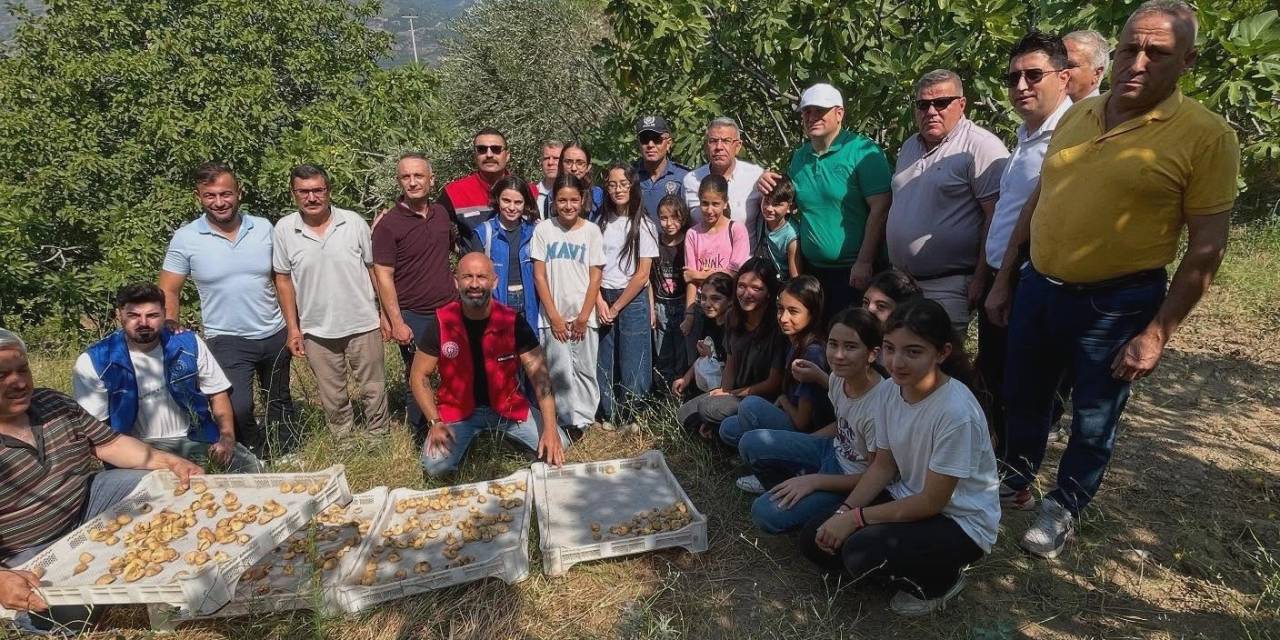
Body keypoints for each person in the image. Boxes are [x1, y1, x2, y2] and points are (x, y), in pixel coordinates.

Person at [986, 0, 1239, 558]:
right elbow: (1039, 197)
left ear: (1188, 60)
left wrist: (1157, 332)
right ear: (1114, 52)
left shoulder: (1205, 136)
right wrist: (1007, 277)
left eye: (1158, 52)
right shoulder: (1080, 113)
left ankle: (1065, 505)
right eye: (1130, 48)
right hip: (1040, 286)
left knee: (1095, 413)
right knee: (1023, 394)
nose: (1139, 62)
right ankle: (1018, 478)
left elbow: (1207, 247)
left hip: (1117, 301)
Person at [798, 298, 1000, 617]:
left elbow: (933, 501)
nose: (897, 362)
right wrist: (845, 511)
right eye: (890, 348)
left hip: (959, 520)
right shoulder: (892, 390)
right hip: (907, 494)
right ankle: (895, 561)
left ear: (942, 353)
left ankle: (942, 582)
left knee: (858, 553)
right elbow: (884, 464)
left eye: (913, 351)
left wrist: (856, 520)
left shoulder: (955, 412)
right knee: (815, 538)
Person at [1, 328, 202, 632]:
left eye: (22, 369)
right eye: (2, 375)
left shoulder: (52, 403)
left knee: (164, 485)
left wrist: (169, 461)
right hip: (28, 551)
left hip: (86, 506)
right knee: (67, 618)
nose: (18, 382)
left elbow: (110, 445)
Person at [977, 32, 1074, 451]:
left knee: (1025, 382)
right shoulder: (1026, 136)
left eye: (1033, 75)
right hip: (1002, 272)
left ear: (1064, 78)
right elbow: (1006, 214)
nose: (1021, 86)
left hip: (1032, 275)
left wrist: (1005, 280)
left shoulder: (1071, 137)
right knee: (998, 374)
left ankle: (1018, 472)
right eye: (1013, 77)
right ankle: (1001, 459)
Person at [159, 162, 295, 459]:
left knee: (279, 397)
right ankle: (253, 452)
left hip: (273, 330)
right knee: (239, 404)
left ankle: (285, 451)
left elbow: (281, 278)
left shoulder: (263, 228)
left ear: (239, 194)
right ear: (199, 197)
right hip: (227, 337)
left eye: (226, 194)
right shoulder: (186, 238)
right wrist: (170, 322)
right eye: (210, 196)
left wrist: (292, 325)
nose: (219, 202)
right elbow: (169, 287)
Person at [72, 284, 261, 473]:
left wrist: (226, 438)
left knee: (250, 470)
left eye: (152, 315)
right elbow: (97, 430)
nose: (143, 323)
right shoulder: (96, 360)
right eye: (133, 316)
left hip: (195, 440)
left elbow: (217, 392)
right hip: (137, 449)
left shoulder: (188, 343)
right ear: (119, 314)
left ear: (164, 313)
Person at [408, 253, 568, 476]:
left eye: (482, 277)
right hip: (457, 413)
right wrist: (435, 422)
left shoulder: (512, 322)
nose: (474, 284)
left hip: (508, 409)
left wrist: (550, 428)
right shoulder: (441, 322)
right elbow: (418, 376)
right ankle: (472, 436)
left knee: (560, 445)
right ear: (456, 282)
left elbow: (540, 377)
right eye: (467, 277)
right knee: (436, 468)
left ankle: (512, 437)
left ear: (495, 282)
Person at [739, 308, 887, 533]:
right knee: (750, 442)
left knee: (764, 513)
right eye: (833, 344)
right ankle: (790, 489)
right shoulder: (839, 378)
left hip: (851, 479)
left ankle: (818, 508)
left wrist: (815, 481)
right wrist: (801, 446)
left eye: (850, 347)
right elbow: (843, 425)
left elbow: (875, 476)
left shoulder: (880, 405)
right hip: (831, 449)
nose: (838, 355)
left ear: (872, 354)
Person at [886, 69, 1009, 335]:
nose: (931, 111)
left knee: (941, 365)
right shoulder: (909, 146)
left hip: (950, 283)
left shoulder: (981, 147)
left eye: (941, 103)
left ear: (961, 104)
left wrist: (980, 278)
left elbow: (996, 216)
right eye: (923, 104)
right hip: (902, 283)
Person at [758, 83, 893, 323]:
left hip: (854, 272)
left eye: (820, 111)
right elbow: (791, 203)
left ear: (839, 114)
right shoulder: (800, 158)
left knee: (851, 343)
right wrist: (767, 180)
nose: (812, 117)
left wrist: (864, 261)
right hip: (813, 272)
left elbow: (881, 207)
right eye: (807, 111)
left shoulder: (862, 151)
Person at [273, 165, 390, 437]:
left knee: (373, 387)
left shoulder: (353, 222)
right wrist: (293, 327)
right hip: (316, 327)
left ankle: (378, 434)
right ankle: (343, 438)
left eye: (318, 190)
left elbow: (374, 270)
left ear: (329, 192)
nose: (311, 197)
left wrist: (384, 313)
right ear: (293, 194)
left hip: (363, 321)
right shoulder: (284, 230)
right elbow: (283, 280)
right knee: (331, 392)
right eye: (304, 192)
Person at [372, 153, 463, 445]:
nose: (413, 182)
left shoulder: (441, 214)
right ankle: (420, 435)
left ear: (431, 179)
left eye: (419, 176)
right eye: (406, 177)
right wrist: (396, 321)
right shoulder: (388, 225)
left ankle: (456, 424)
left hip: (449, 309)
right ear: (399, 181)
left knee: (453, 369)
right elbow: (383, 275)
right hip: (415, 314)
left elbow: (444, 255)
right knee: (417, 377)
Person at [677, 258, 787, 441]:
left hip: (759, 398)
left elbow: (773, 383)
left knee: (708, 409)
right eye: (741, 286)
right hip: (735, 394)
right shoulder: (733, 318)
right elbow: (731, 363)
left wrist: (729, 395)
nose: (746, 293)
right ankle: (719, 428)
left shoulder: (777, 328)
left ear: (769, 293)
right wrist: (724, 393)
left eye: (756, 288)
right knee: (685, 414)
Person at [719, 276, 831, 450]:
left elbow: (802, 423)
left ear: (813, 313)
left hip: (808, 435)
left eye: (793, 311)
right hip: (788, 417)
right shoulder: (793, 342)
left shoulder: (812, 353)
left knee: (750, 405)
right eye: (780, 309)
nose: (783, 318)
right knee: (728, 428)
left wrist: (783, 400)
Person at [531, 173, 606, 434]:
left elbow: (596, 274)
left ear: (582, 200)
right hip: (554, 317)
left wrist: (585, 315)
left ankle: (585, 419)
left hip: (584, 315)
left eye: (574, 200)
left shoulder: (591, 231)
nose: (568, 205)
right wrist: (554, 317)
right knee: (559, 371)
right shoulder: (544, 230)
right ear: (554, 201)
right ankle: (565, 421)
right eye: (562, 200)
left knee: (585, 369)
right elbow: (539, 275)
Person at [595, 164, 660, 431]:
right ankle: (609, 414)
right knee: (606, 357)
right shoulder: (599, 223)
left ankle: (634, 414)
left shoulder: (643, 224)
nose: (618, 189)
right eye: (612, 184)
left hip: (630, 298)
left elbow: (643, 274)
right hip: (603, 295)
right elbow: (593, 267)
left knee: (635, 356)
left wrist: (618, 305)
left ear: (633, 186)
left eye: (623, 183)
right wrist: (599, 301)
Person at [680, 175, 750, 336]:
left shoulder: (736, 230)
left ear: (725, 203)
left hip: (729, 308)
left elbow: (734, 273)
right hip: (701, 306)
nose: (709, 210)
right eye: (705, 203)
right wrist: (689, 314)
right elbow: (690, 282)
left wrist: (698, 274)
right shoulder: (693, 234)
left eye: (715, 204)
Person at [682, 118, 765, 245]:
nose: (719, 147)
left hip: (745, 263)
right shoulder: (691, 181)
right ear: (706, 146)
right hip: (702, 262)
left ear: (737, 146)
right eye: (713, 141)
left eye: (726, 141)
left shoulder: (755, 176)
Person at [476, 176, 541, 322]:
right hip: (498, 303)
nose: (512, 207)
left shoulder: (535, 231)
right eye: (506, 200)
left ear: (525, 203)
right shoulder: (485, 232)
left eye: (518, 202)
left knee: (531, 344)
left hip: (530, 302)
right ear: (498, 199)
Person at [650, 194, 694, 389]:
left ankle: (680, 391)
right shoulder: (655, 243)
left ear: (683, 218)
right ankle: (663, 394)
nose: (669, 223)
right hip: (661, 304)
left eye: (674, 218)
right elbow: (648, 281)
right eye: (664, 218)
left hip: (683, 303)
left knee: (682, 350)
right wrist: (651, 309)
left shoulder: (688, 242)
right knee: (663, 351)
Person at [440, 127, 512, 245]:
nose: (489, 155)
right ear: (475, 156)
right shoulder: (454, 192)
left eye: (496, 149)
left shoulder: (529, 191)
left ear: (507, 155)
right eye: (482, 149)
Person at [670, 272, 734, 399]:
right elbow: (704, 356)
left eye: (716, 298)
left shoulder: (732, 329)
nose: (708, 304)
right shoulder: (709, 321)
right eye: (704, 298)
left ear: (730, 300)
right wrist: (686, 379)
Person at [633, 115, 690, 222]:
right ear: (638, 144)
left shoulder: (684, 177)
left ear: (668, 144)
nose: (650, 145)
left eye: (656, 139)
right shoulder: (629, 176)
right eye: (644, 140)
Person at [758, 175, 801, 283]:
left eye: (776, 205)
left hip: (782, 282)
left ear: (790, 208)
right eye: (766, 201)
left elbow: (795, 276)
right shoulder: (761, 219)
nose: (769, 208)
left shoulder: (791, 236)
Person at [557, 141, 604, 217]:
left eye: (580, 163)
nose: (574, 168)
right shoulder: (552, 196)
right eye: (568, 162)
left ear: (588, 167)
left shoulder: (598, 196)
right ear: (561, 165)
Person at [1063, 29, 1110, 102]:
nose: (1059, 71)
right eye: (1056, 64)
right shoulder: (1046, 110)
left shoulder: (1104, 112)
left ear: (1096, 73)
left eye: (1069, 65)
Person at [530, 140, 563, 219]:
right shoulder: (531, 192)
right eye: (546, 158)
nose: (550, 162)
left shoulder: (572, 193)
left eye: (556, 158)